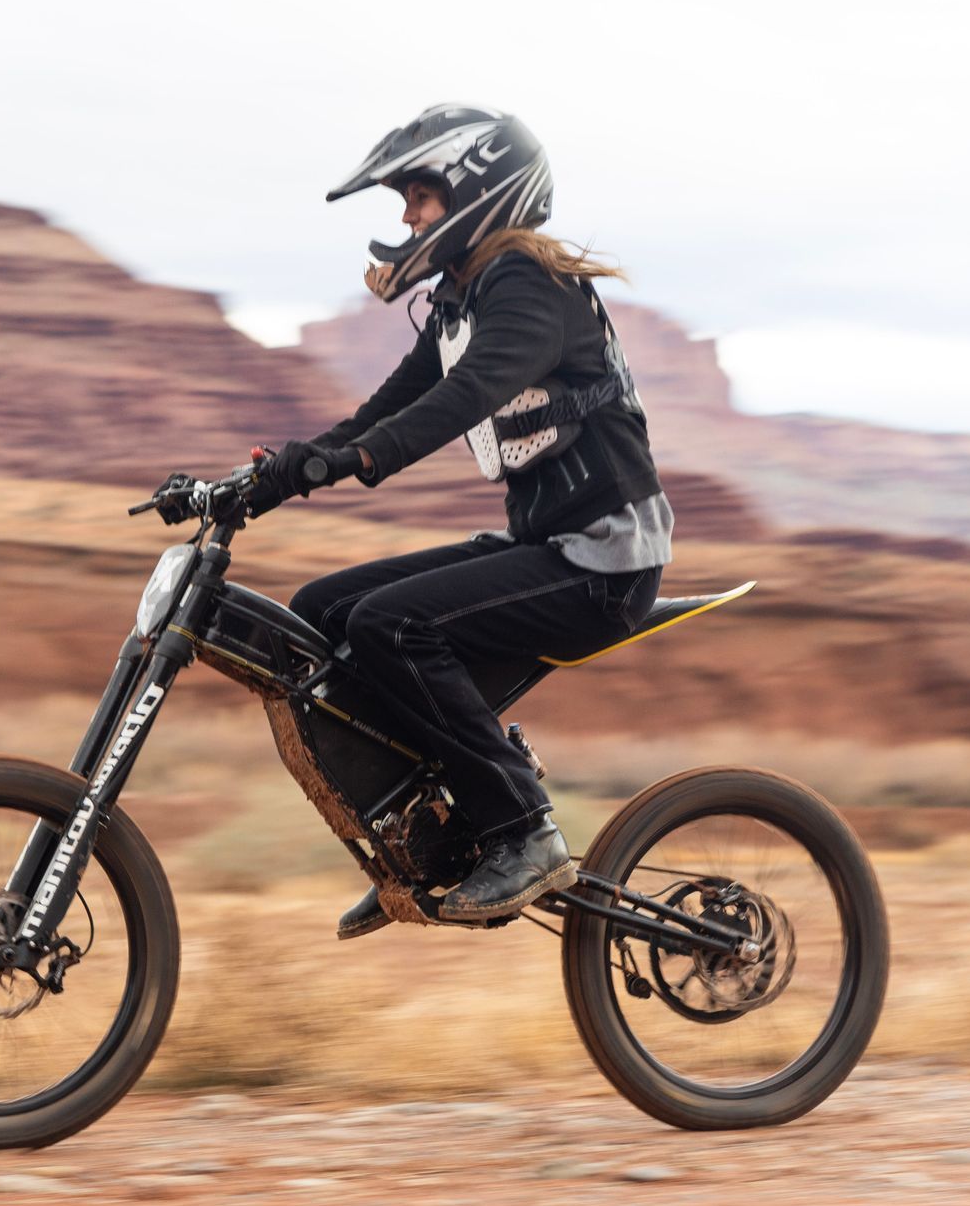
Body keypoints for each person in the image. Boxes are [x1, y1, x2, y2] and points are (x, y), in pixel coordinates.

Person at [248, 104, 674, 940]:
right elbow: (384, 408)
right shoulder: (461, 301)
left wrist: (355, 463)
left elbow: (465, 397)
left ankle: (523, 827)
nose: (408, 218)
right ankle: (429, 838)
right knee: (320, 610)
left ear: (477, 191)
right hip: (546, 547)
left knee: (392, 626)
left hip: (605, 563)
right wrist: (275, 477)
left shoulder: (529, 286)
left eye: (419, 197)